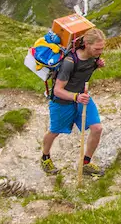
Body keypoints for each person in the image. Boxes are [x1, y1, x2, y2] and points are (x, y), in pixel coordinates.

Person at [41, 28, 107, 178]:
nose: (100, 52)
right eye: (97, 49)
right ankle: (45, 157)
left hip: (81, 97)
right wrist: (76, 97)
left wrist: (97, 65)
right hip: (62, 102)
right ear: (86, 45)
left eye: (102, 48)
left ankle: (86, 164)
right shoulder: (69, 62)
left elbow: (82, 73)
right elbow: (58, 90)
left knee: (97, 128)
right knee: (54, 131)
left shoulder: (93, 57)